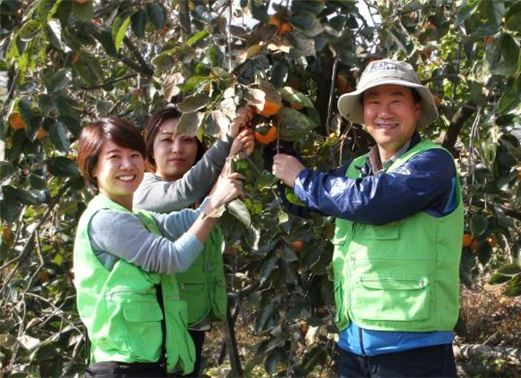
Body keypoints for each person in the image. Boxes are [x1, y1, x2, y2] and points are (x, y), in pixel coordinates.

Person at [272, 59, 463, 377]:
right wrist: (276, 145)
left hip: (414, 352)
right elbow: (303, 202)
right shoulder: (356, 169)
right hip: (353, 345)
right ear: (363, 115)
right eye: (374, 103)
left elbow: (374, 201)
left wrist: (302, 178)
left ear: (417, 109)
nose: (384, 112)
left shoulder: (433, 163)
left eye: (396, 101)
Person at [73, 117, 245, 377]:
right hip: (123, 367)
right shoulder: (106, 218)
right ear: (93, 167)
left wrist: (227, 164)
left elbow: (187, 219)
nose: (127, 165)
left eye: (134, 155)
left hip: (144, 363)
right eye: (114, 156)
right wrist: (213, 208)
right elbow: (172, 259)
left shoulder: (136, 218)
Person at [134, 106, 254, 377]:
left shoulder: (204, 190)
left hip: (193, 321)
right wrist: (226, 142)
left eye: (187, 139)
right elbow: (185, 192)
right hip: (160, 324)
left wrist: (234, 157)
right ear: (149, 149)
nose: (177, 148)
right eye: (166, 140)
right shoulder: (142, 190)